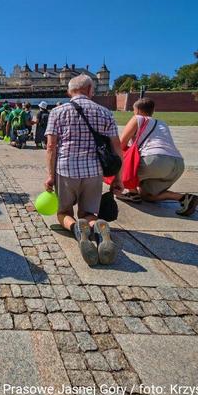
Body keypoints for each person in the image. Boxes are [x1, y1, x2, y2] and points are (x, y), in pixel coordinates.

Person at [44, 75, 123, 266]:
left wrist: (49, 176)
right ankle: (97, 226)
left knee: (63, 212)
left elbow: (51, 147)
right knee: (89, 213)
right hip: (94, 171)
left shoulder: (58, 112)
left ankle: (77, 230)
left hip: (66, 169)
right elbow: (116, 147)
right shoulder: (105, 112)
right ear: (89, 90)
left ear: (69, 91)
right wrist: (117, 178)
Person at [117, 98, 198, 215]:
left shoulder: (138, 118)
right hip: (177, 164)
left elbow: (120, 144)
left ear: (137, 110)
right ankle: (183, 198)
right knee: (147, 196)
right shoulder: (162, 123)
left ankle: (132, 193)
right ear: (153, 110)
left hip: (156, 161)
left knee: (117, 167)